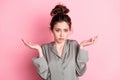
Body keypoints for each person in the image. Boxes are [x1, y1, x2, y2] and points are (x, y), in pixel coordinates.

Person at [22, 4, 97, 80]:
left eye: (65, 30)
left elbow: (80, 72)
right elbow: (44, 76)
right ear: (52, 30)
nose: (61, 34)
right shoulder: (44, 48)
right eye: (58, 30)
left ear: (69, 30)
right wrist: (39, 50)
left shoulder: (74, 45)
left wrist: (82, 47)